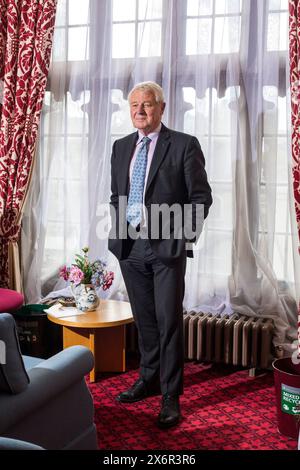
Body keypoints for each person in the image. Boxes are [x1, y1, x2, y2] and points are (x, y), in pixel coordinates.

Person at [108, 81, 212, 428]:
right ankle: (149, 378)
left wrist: (181, 239)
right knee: (146, 320)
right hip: (130, 247)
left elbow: (200, 198)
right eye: (134, 104)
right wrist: (118, 233)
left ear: (162, 108)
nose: (140, 110)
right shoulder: (121, 147)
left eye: (147, 104)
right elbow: (115, 195)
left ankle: (170, 395)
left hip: (167, 250)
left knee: (168, 323)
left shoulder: (183, 144)